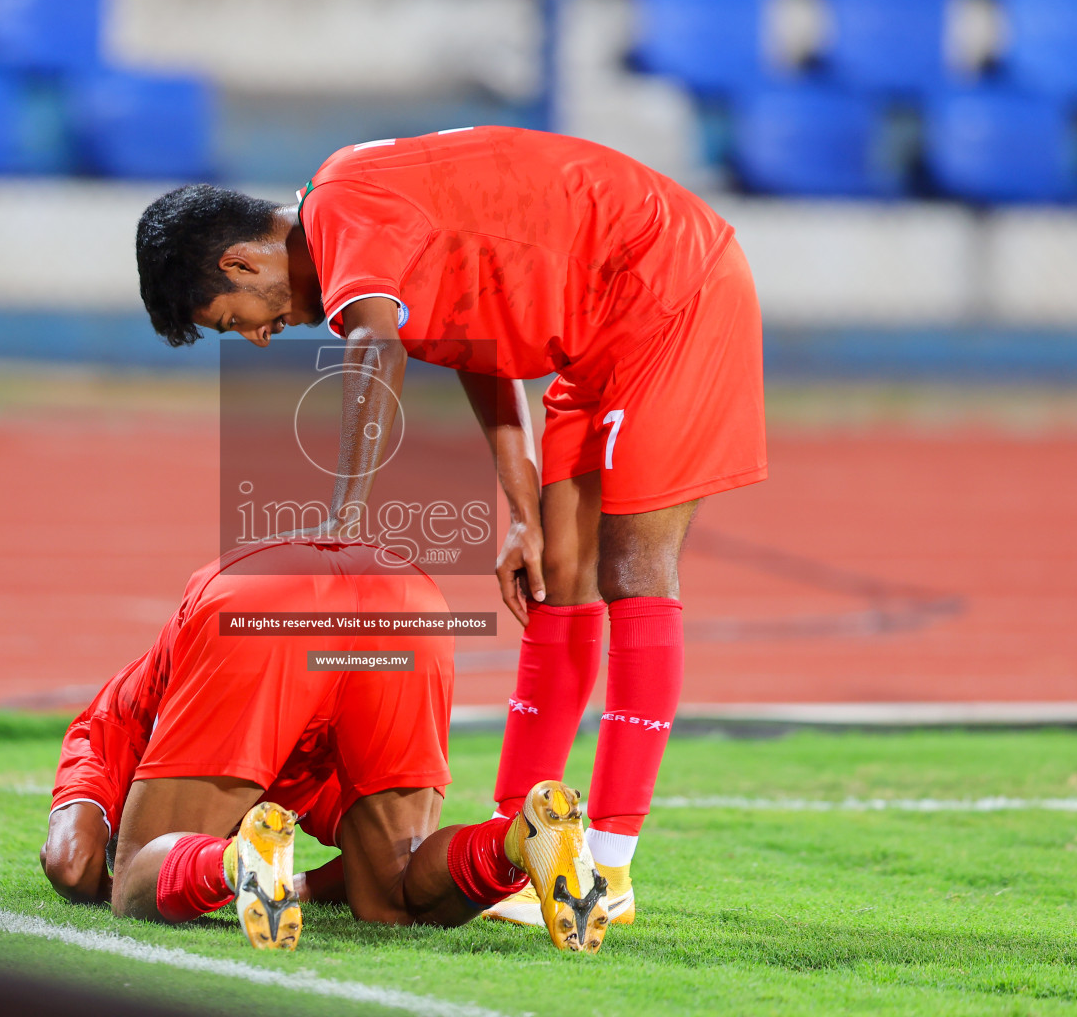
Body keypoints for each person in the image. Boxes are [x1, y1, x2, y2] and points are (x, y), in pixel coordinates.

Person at [134, 126, 767, 927]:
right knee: (558, 578)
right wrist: (519, 514)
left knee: (633, 572)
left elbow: (377, 346)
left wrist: (342, 524)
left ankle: (607, 868)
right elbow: (480, 341)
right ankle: (524, 851)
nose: (259, 336)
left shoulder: (340, 207)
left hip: (670, 288)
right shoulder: (360, 234)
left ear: (242, 262)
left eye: (236, 321)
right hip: (599, 328)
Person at [40, 540, 612, 952]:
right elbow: (371, 871)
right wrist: (303, 884)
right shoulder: (299, 772)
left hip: (261, 607)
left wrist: (139, 865)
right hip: (401, 594)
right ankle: (517, 842)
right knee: (393, 898)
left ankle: (237, 863)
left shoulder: (108, 726)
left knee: (140, 877)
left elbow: (71, 865)